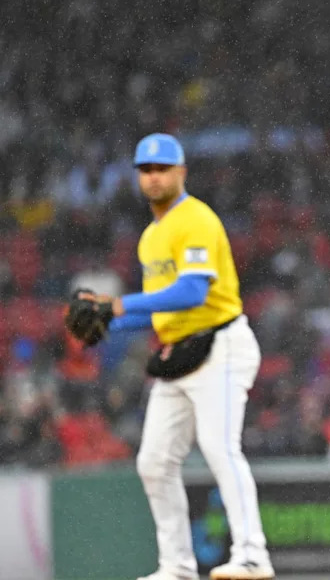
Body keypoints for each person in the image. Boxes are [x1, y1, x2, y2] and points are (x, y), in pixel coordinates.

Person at [77, 134, 273, 580]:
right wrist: (108, 324)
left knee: (220, 448)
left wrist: (118, 305)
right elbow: (162, 308)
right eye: (146, 170)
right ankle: (177, 567)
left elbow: (191, 291)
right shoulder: (150, 237)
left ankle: (252, 555)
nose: (154, 176)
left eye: (162, 168)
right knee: (153, 461)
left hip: (221, 345)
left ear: (181, 171)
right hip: (179, 355)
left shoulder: (196, 219)